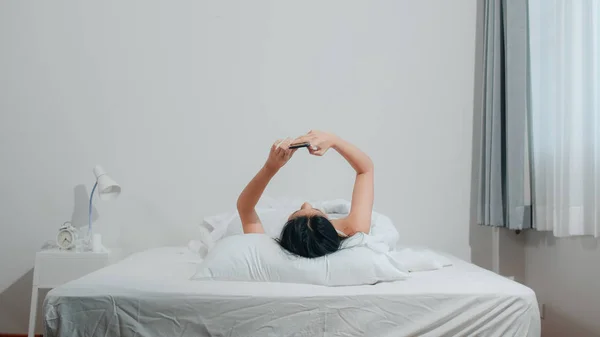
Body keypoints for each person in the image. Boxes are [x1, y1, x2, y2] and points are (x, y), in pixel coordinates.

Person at [236, 130, 374, 258]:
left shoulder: (266, 250)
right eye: (316, 210)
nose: (306, 204)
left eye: (299, 210)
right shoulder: (353, 229)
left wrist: (271, 167)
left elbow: (245, 208)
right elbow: (365, 169)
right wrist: (333, 140)